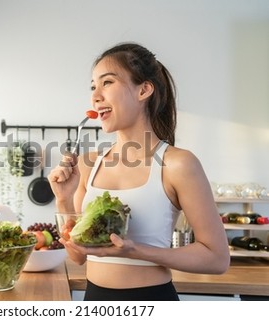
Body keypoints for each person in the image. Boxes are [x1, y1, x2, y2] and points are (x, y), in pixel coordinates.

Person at [47, 42, 230, 301]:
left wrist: (135, 251)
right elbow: (78, 255)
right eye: (93, 86)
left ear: (144, 89)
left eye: (107, 82)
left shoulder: (178, 164)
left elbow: (217, 258)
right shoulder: (89, 164)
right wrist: (63, 199)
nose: (95, 96)